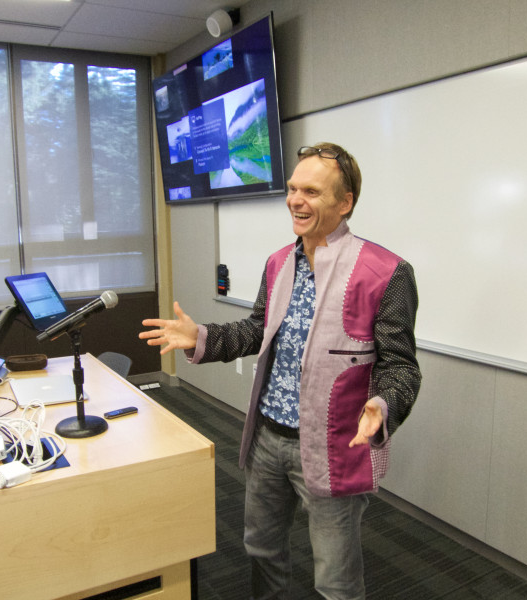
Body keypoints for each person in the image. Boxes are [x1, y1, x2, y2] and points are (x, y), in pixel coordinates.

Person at [140, 142, 421, 600]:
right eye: (292, 189)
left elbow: (401, 367)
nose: (295, 200)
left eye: (311, 191)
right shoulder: (279, 262)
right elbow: (257, 330)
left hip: (332, 447)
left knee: (335, 579)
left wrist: (382, 404)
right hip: (268, 440)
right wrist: (203, 337)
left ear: (344, 202)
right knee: (262, 550)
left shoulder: (386, 272)